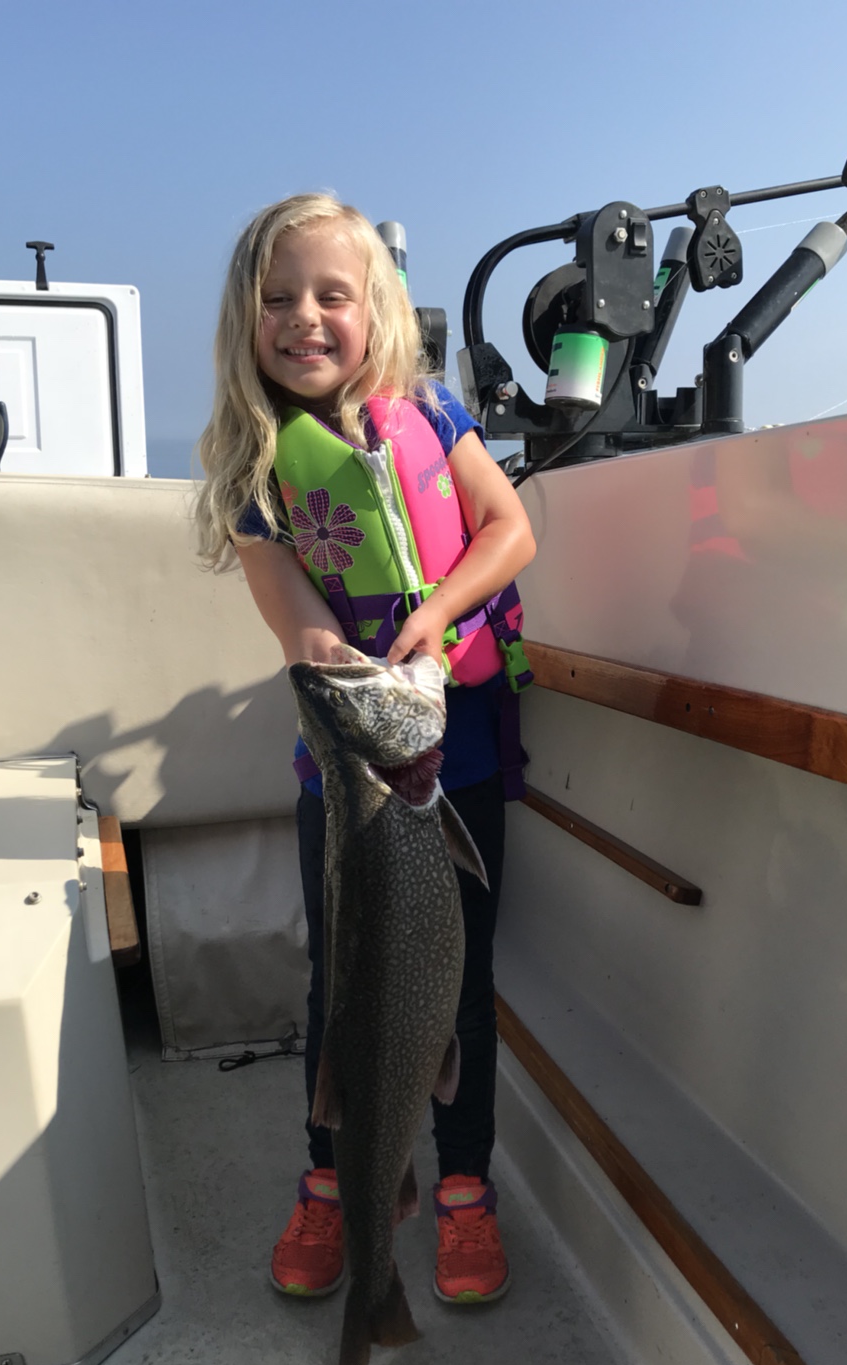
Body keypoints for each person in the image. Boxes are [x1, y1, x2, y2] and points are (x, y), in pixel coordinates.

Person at [193, 192, 536, 1306]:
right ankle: (335, 1184)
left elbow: (509, 529)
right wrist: (372, 687)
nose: (304, 317)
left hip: (455, 759)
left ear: (374, 309)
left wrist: (433, 619)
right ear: (245, 322)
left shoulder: (431, 412)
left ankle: (463, 1188)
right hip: (349, 777)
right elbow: (303, 633)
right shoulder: (257, 480)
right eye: (277, 298)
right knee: (340, 987)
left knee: (462, 989)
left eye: (330, 294)